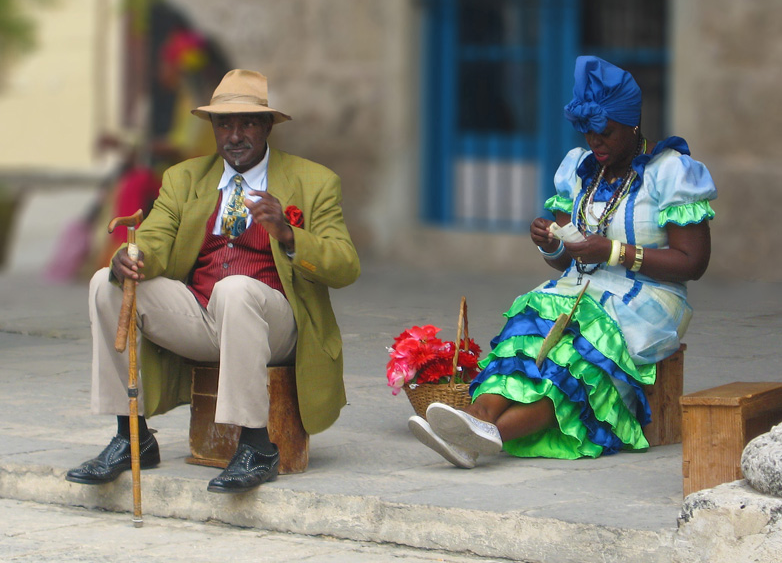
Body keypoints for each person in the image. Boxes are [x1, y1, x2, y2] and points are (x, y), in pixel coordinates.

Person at [409, 56, 716, 468]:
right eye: (588, 134)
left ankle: (489, 436)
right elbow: (563, 261)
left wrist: (610, 252)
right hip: (577, 288)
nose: (596, 143)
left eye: (605, 133)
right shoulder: (578, 170)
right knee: (525, 331)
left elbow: (692, 263)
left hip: (649, 301)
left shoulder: (671, 171)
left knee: (575, 357)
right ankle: (473, 420)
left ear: (633, 124)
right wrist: (550, 244)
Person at [66, 69, 361, 492]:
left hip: (277, 324)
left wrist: (290, 234)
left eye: (246, 123)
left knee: (235, 288)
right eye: (224, 123)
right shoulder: (185, 178)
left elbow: (347, 265)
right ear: (213, 128)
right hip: (204, 315)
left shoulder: (314, 182)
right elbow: (155, 236)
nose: (234, 134)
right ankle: (131, 437)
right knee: (105, 283)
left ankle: (258, 447)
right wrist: (130, 257)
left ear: (266, 127)